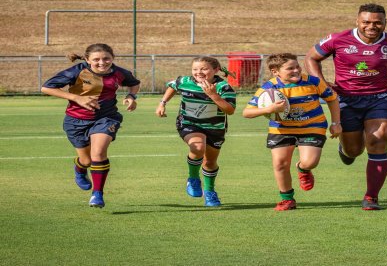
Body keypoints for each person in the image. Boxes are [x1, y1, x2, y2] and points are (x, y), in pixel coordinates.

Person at [305, 3, 387, 210]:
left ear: (384, 23)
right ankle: (346, 149)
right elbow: (311, 58)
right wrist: (323, 86)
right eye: (366, 22)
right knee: (354, 151)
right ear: (357, 21)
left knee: (378, 140)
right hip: (346, 99)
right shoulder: (337, 39)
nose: (372, 26)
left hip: (381, 98)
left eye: (377, 22)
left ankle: (371, 197)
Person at [41, 43, 140, 208]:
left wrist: (131, 96)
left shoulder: (119, 72)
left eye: (106, 58)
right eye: (96, 59)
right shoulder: (77, 71)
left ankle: (97, 194)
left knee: (98, 153)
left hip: (106, 118)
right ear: (87, 60)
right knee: (86, 160)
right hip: (75, 120)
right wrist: (77, 98)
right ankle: (80, 169)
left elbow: (134, 83)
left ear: (112, 58)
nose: (102, 62)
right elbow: (46, 88)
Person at [242, 53, 341, 211]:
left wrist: (336, 123)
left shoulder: (313, 82)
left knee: (310, 162)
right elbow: (246, 113)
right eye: (290, 68)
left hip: (312, 126)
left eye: (297, 66)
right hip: (281, 129)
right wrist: (269, 109)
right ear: (275, 71)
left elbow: (332, 99)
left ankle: (303, 169)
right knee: (280, 164)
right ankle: (287, 199)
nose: (296, 70)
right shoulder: (269, 88)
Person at [156, 56, 236, 207]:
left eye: (204, 69)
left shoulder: (223, 87)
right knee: (198, 147)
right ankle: (193, 178)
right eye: (195, 69)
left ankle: (210, 192)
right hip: (189, 123)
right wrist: (162, 103)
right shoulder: (184, 81)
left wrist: (212, 95)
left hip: (215, 128)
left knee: (210, 161)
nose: (199, 72)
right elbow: (173, 86)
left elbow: (230, 110)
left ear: (216, 70)